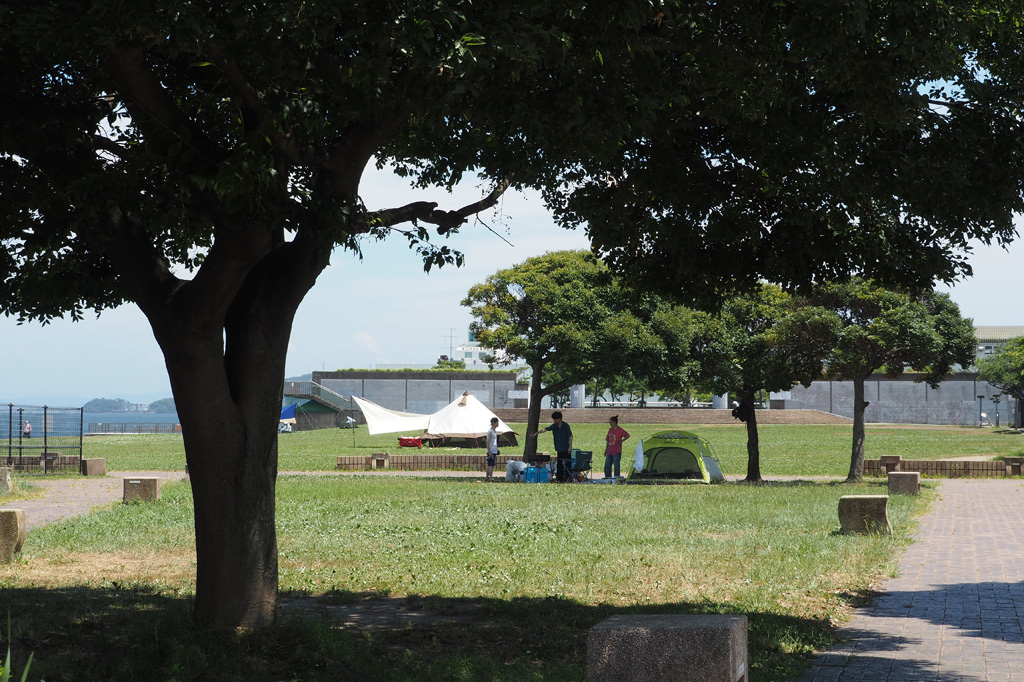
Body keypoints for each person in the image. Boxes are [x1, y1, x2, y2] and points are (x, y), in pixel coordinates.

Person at [529, 411, 573, 482]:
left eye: (555, 419)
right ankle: (560, 479)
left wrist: (570, 447)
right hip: (559, 449)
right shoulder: (554, 426)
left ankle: (569, 479)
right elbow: (545, 429)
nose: (554, 421)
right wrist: (536, 433)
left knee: (568, 465)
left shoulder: (565, 426)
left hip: (566, 448)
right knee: (559, 465)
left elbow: (570, 436)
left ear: (559, 419)